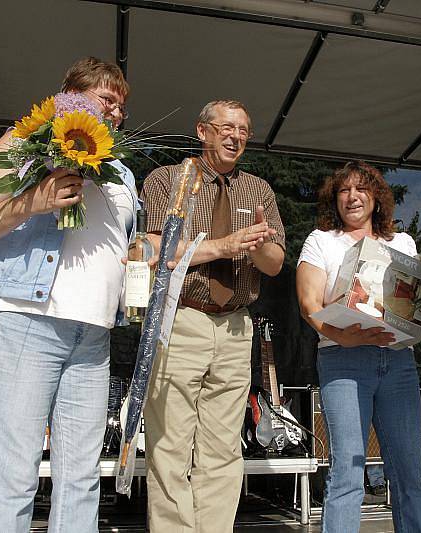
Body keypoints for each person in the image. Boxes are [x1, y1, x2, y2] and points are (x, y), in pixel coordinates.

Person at [0, 57, 140, 533]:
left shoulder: (122, 173)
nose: (117, 113)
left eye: (121, 106)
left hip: (94, 334)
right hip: (30, 319)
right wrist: (34, 201)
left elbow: (129, 243)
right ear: (71, 97)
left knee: (81, 475)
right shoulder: (25, 140)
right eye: (107, 100)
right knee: (14, 470)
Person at [140, 100, 285, 532]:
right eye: (226, 127)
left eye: (244, 129)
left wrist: (257, 245)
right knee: (170, 445)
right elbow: (151, 250)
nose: (235, 135)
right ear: (202, 132)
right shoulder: (168, 180)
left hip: (237, 325)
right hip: (181, 318)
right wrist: (223, 245)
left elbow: (275, 263)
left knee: (224, 449)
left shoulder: (259, 190)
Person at [297, 161, 421, 533]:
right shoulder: (321, 240)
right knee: (348, 469)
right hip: (343, 360)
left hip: (399, 361)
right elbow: (309, 304)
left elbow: (413, 301)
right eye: (344, 190)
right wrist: (344, 336)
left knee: (407, 469)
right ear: (334, 199)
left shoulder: (402, 243)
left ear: (376, 197)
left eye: (361, 189)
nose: (352, 197)